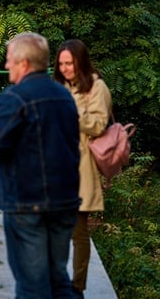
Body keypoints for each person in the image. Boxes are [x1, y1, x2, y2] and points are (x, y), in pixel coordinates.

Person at [0, 32, 80, 298]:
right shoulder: (64, 95)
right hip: (65, 200)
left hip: (27, 202)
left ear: (23, 63)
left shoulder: (15, 97)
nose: (6, 66)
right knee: (59, 279)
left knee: (32, 286)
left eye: (9, 60)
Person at [54, 39, 112, 299]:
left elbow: (99, 125)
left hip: (80, 167)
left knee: (78, 231)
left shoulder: (97, 87)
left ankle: (76, 287)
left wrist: (72, 112)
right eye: (61, 63)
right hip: (55, 166)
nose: (65, 68)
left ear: (81, 62)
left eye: (70, 63)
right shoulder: (60, 87)